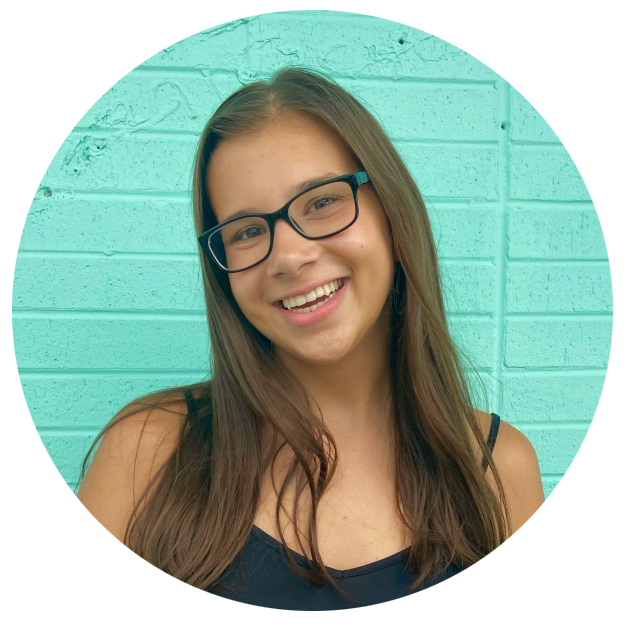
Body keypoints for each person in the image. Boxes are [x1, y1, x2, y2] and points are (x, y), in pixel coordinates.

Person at [76, 67, 545, 610]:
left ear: (391, 214)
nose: (290, 256)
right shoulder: (148, 452)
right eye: (248, 231)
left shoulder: (496, 468)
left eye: (322, 201)